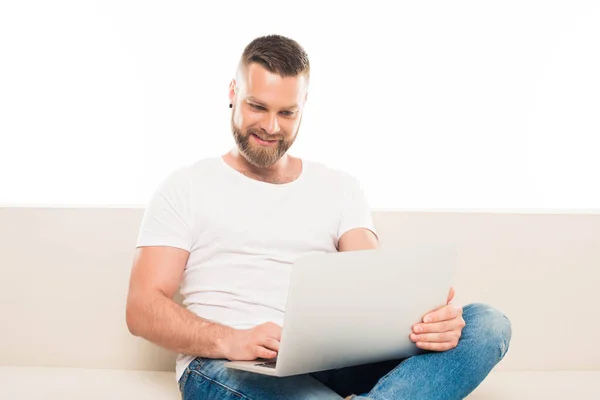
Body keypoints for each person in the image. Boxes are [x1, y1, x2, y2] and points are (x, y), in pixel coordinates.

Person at [126, 34, 512, 400]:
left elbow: (374, 282)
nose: (271, 127)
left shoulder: (340, 187)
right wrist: (231, 340)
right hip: (230, 364)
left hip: (337, 360)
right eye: (257, 106)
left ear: (304, 105)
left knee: (487, 324)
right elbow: (142, 307)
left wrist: (428, 319)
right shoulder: (186, 186)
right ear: (233, 93)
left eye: (287, 112)